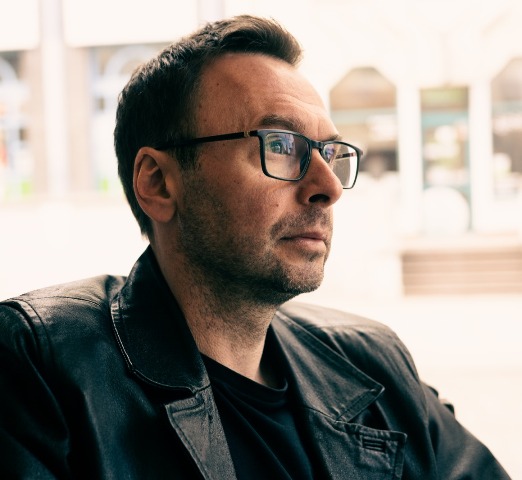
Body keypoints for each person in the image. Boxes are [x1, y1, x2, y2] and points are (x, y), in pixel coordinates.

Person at [0, 15, 510, 480]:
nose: (328, 186)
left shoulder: (373, 362)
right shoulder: (41, 365)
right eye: (281, 145)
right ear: (158, 183)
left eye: (330, 153)